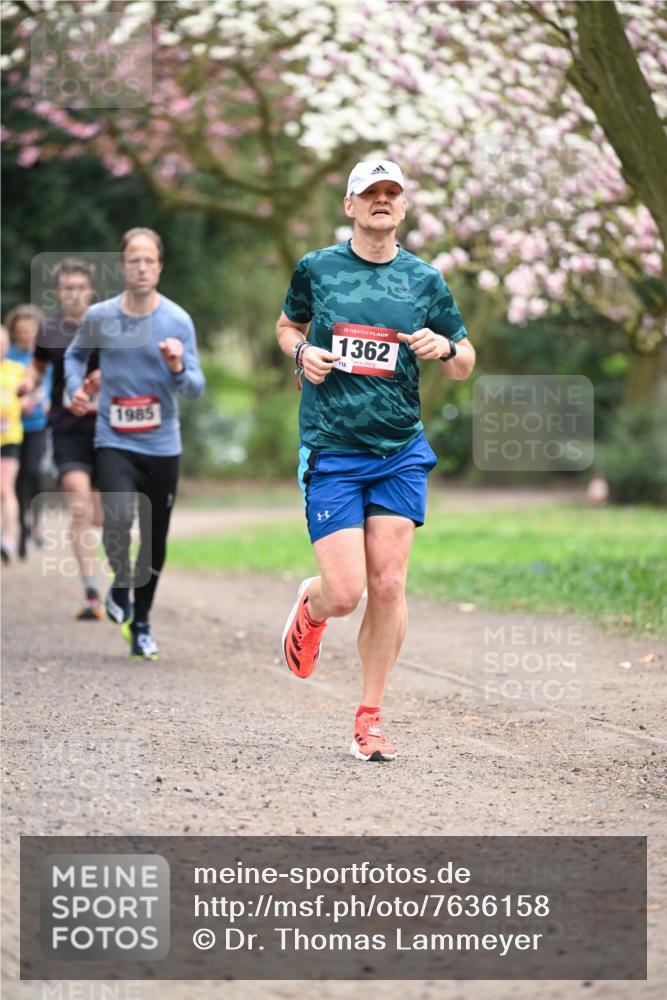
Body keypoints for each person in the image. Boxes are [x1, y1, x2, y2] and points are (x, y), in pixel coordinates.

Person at [277, 159, 475, 762]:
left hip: (399, 450)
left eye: (392, 193)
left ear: (404, 208)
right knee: (345, 592)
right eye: (371, 193)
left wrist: (445, 347)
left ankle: (371, 716)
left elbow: (465, 358)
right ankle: (310, 611)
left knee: (389, 582)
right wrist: (303, 353)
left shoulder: (425, 281)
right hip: (334, 447)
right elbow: (287, 327)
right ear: (351, 206)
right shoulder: (318, 268)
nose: (382, 201)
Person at [65, 227, 205, 661]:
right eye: (133, 261)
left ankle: (141, 622)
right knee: (117, 520)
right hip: (114, 439)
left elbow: (196, 387)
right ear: (122, 267)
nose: (141, 268)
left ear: (159, 267)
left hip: (162, 446)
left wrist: (178, 365)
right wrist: (76, 389)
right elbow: (74, 354)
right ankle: (121, 581)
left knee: (155, 540)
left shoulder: (177, 321)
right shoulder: (101, 316)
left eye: (149, 260)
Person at [18, 258, 104, 619]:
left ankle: (111, 575)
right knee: (80, 507)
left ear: (91, 291)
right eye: (67, 289)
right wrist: (28, 385)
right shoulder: (48, 328)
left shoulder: (108, 324)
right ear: (56, 293)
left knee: (103, 515)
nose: (74, 294)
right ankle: (90, 592)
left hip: (108, 430)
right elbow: (38, 366)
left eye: (80, 288)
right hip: (67, 430)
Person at [5, 304, 51, 558]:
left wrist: (48, 402)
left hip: (38, 425)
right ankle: (21, 530)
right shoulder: (8, 356)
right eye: (21, 331)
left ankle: (37, 522)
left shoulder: (45, 357)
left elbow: (54, 384)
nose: (26, 335)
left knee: (34, 471)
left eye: (30, 330)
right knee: (18, 479)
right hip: (12, 427)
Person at [1, 325, 29, 563]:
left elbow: (32, 394)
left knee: (5, 489)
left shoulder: (18, 370)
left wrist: (30, 400)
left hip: (9, 438)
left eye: (1, 343)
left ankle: (8, 540)